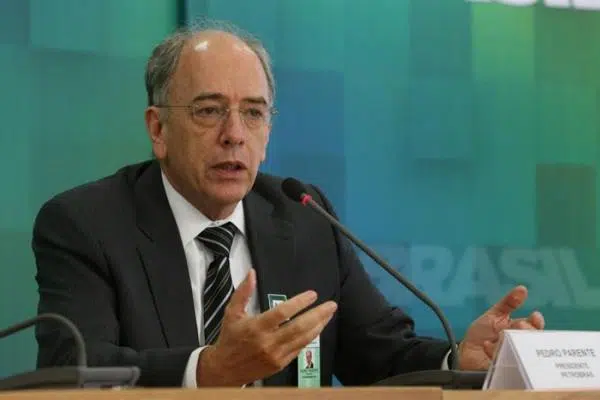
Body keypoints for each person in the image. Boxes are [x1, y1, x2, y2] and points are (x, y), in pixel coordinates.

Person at [31, 22, 545, 388]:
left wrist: (461, 359)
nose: (234, 135)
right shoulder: (86, 224)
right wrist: (208, 371)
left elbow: (380, 352)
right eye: (209, 110)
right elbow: (75, 368)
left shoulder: (302, 215)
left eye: (253, 114)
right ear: (158, 128)